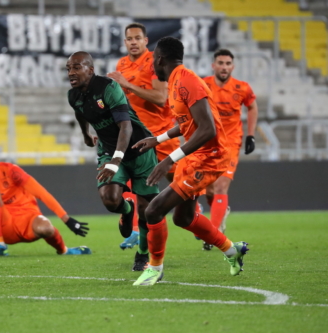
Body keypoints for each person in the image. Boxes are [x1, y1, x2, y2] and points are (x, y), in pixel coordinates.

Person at [131, 37, 249, 286]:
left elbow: (207, 130)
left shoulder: (187, 81)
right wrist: (158, 139)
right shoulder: (176, 81)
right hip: (195, 156)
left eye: (153, 60)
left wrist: (169, 160)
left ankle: (155, 268)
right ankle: (232, 251)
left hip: (209, 158)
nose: (152, 65)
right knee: (182, 218)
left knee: (154, 210)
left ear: (160, 59)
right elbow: (187, 123)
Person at [66, 51, 159, 270]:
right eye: (68, 68)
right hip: (109, 150)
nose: (71, 72)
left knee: (147, 211)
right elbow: (80, 114)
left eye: (76, 67)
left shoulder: (108, 88)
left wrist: (116, 161)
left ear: (91, 69)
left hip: (139, 149)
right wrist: (85, 135)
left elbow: (125, 126)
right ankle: (126, 210)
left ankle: (143, 254)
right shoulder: (73, 95)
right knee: (109, 199)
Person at [107, 22, 180, 268]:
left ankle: (198, 218)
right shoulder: (121, 65)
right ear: (125, 42)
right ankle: (143, 252)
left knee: (183, 196)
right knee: (145, 201)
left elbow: (161, 98)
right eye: (129, 39)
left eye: (138, 38)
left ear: (146, 41)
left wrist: (126, 84)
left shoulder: (155, 62)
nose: (134, 42)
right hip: (140, 141)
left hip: (163, 136)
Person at [0, 143, 91, 256]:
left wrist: (67, 220)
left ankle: (64, 250)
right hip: (6, 228)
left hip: (29, 220)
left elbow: (41, 193)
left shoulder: (11, 171)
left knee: (47, 229)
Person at [199, 49, 258, 251]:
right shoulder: (203, 84)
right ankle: (219, 214)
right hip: (208, 142)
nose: (224, 67)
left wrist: (251, 135)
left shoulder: (242, 88)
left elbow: (252, 106)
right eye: (220, 63)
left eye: (228, 63)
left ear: (232, 67)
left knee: (222, 186)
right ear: (213, 66)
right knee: (209, 189)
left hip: (231, 143)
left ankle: (212, 233)